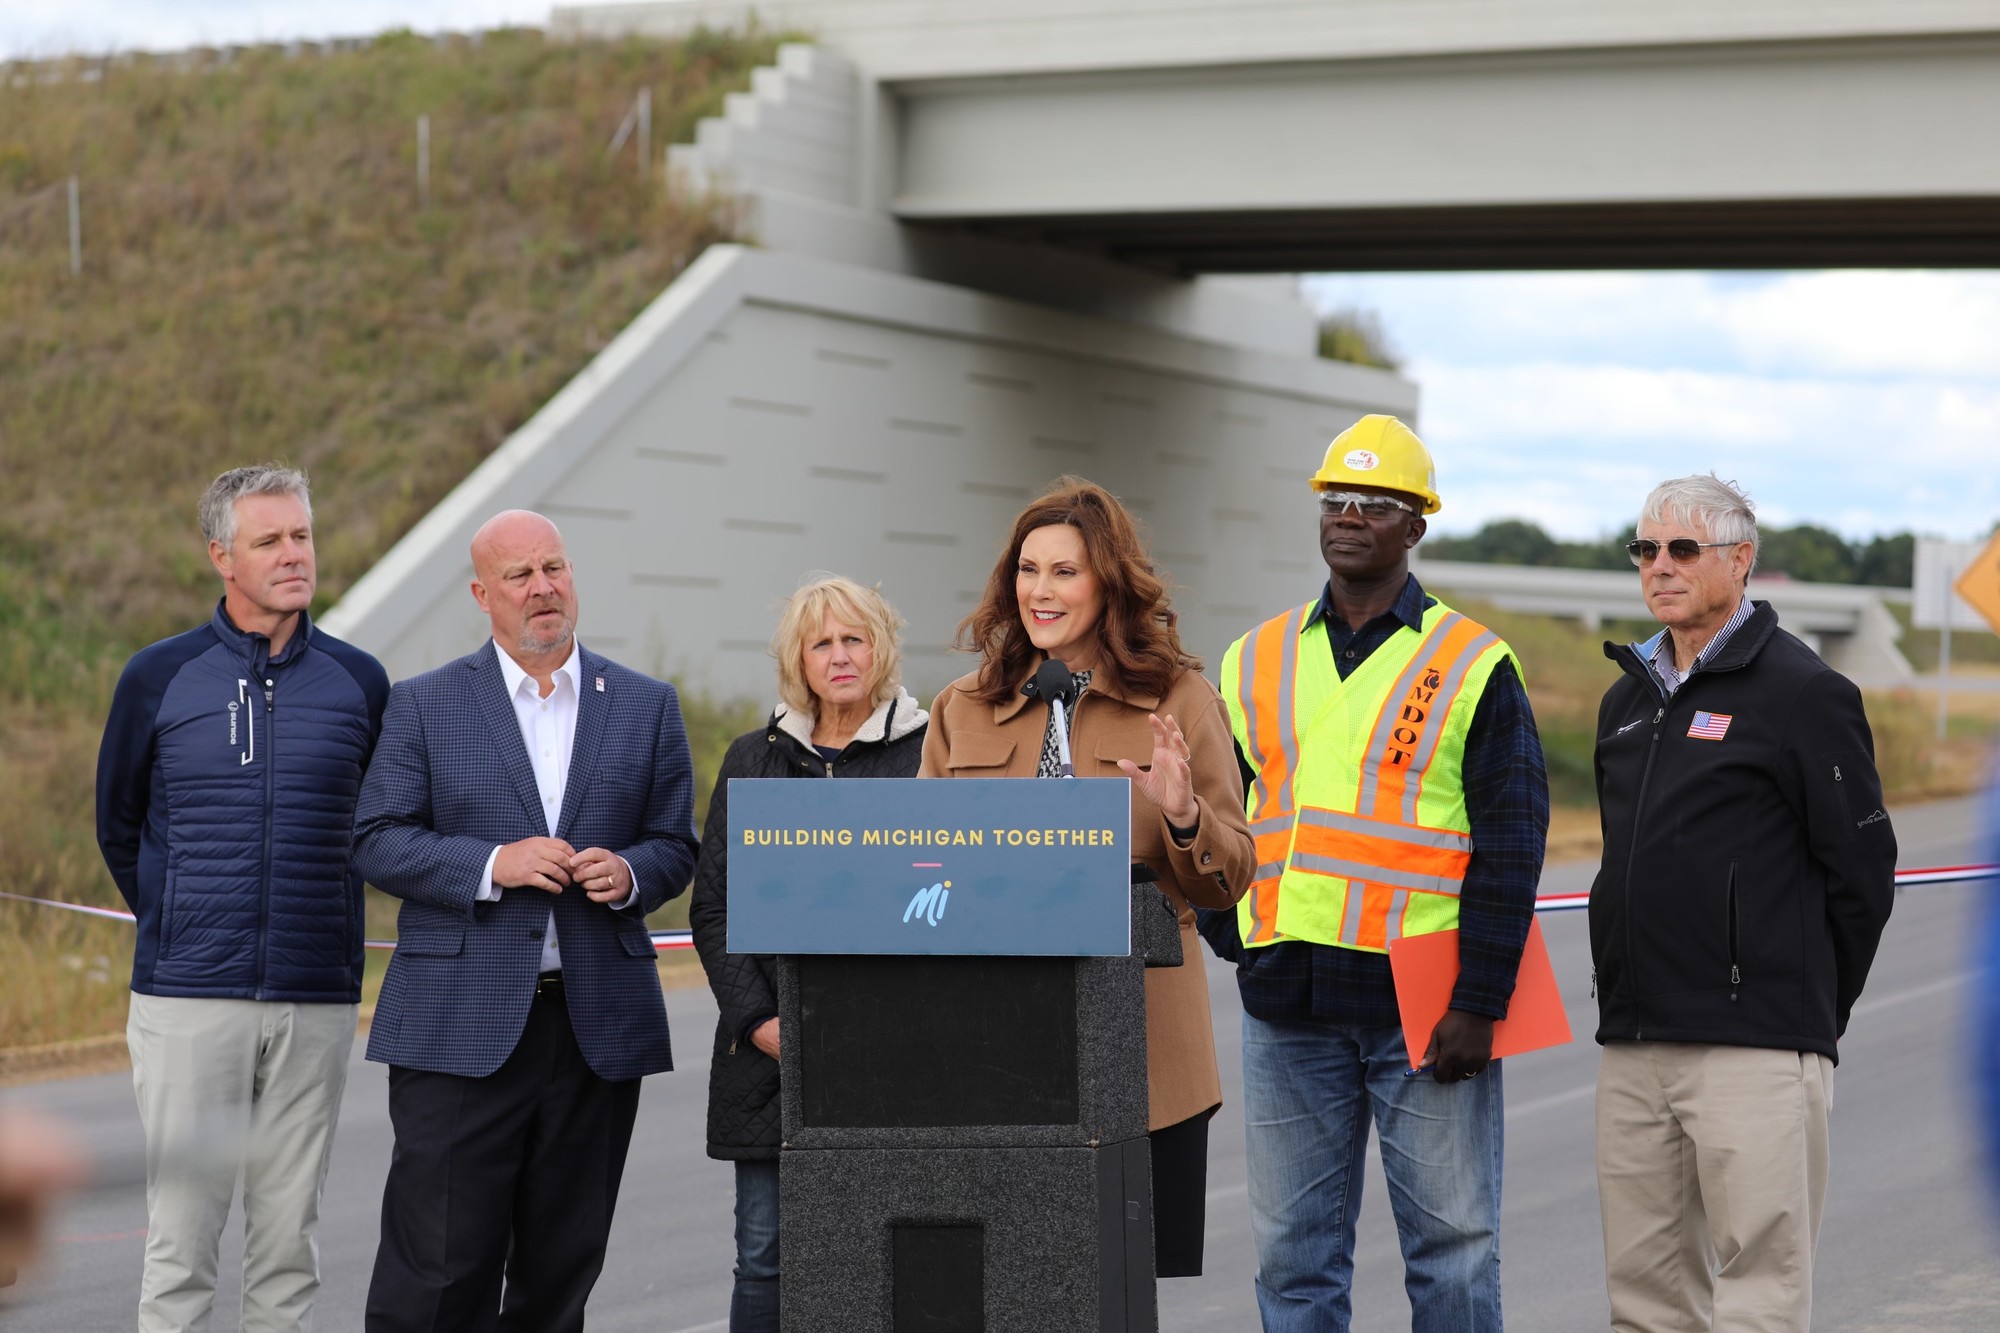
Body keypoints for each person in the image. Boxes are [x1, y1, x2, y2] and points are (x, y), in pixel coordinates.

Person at [1201, 415, 1548, 1333]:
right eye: (1337, 499)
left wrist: (1480, 999)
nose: (1350, 516)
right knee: (1293, 1261)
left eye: (1377, 503)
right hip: (1288, 1002)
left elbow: (1512, 843)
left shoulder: (1472, 663)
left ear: (1416, 525)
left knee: (1453, 1253)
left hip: (1425, 1006)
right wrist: (1236, 933)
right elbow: (1224, 812)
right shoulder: (1254, 656)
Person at [354, 509, 699, 1333]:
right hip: (456, 1027)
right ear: (483, 594)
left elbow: (675, 845)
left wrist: (630, 874)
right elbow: (376, 838)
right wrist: (490, 864)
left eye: (555, 568)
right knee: (438, 1276)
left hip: (594, 1029)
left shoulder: (646, 704)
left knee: (558, 1276)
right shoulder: (424, 704)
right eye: (520, 575)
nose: (543, 588)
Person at [918, 476, 1255, 1279]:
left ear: (1109, 583)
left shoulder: (1180, 700)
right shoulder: (960, 707)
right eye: (1028, 570)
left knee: (1123, 1286)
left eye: (1064, 571)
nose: (1040, 590)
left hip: (1146, 1056)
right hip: (998, 1048)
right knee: (1011, 1285)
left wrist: (1184, 814)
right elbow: (921, 868)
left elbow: (1231, 877)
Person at [1590, 474, 1896, 1332]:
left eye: (1683, 548)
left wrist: (1803, 1007)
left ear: (1740, 559)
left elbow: (1863, 871)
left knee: (1760, 1294)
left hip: (1755, 1045)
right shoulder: (1625, 700)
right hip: (1635, 1042)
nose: (1660, 565)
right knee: (1643, 1299)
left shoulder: (1804, 693)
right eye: (1646, 548)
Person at [95, 464, 389, 1333]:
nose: (294, 554)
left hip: (315, 998)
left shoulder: (360, 681)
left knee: (288, 1246)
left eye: (302, 535)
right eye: (270, 540)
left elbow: (381, 826)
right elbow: (119, 824)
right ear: (222, 556)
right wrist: (180, 919)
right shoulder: (157, 676)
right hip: (187, 1000)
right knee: (182, 1245)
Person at [689, 574, 929, 1332]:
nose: (840, 656)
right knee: (765, 1255)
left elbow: (950, 895)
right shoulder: (750, 759)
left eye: (854, 638)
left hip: (895, 1056)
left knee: (887, 1251)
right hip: (770, 1060)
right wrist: (760, 1023)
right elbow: (714, 908)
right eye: (821, 643)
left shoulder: (932, 753)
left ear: (880, 646)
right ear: (798, 659)